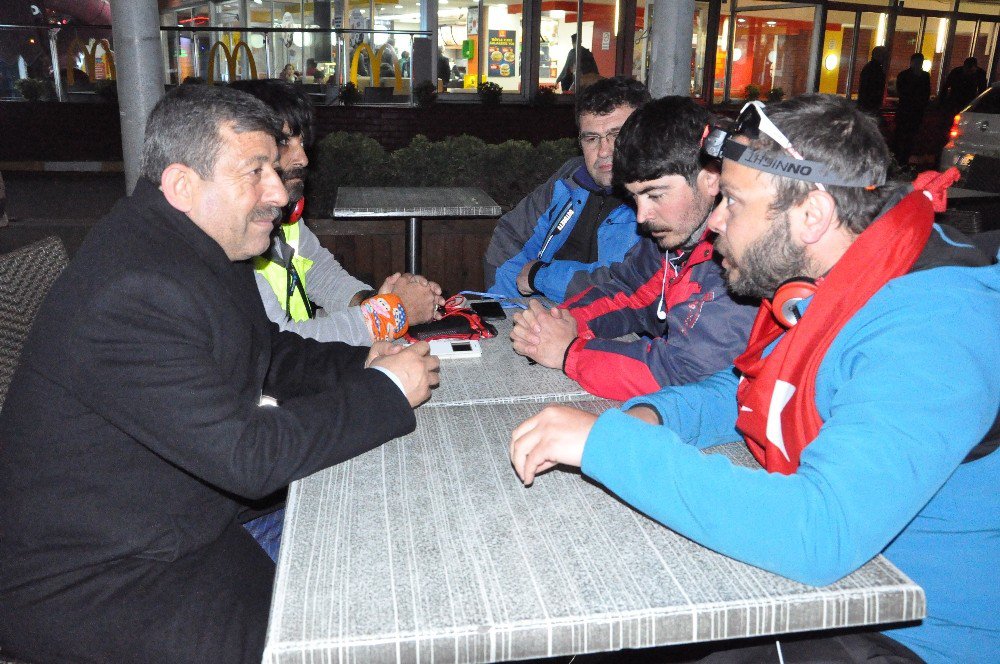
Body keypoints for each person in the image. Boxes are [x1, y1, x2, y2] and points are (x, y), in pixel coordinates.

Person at [509, 94, 999, 663]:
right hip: (819, 605)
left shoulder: (931, 330)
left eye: (734, 202)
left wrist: (607, 445)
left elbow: (820, 530)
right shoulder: (829, 284)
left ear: (811, 214)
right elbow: (753, 391)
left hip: (908, 637)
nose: (714, 220)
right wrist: (658, 415)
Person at [0, 84, 440, 664]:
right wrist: (383, 391)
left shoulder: (197, 245)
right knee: (351, 632)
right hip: (97, 584)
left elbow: (270, 355)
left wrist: (362, 360)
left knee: (387, 558)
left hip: (176, 531)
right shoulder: (135, 289)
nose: (279, 192)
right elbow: (247, 458)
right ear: (183, 185)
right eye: (256, 172)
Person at [509, 96, 757, 400]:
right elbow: (629, 292)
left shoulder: (740, 259)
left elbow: (684, 372)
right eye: (635, 197)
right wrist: (567, 321)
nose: (642, 216)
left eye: (655, 195)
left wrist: (569, 352)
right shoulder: (675, 238)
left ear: (711, 179)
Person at [230, 79, 444, 346]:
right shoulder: (230, 236)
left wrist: (378, 301)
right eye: (284, 141)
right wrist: (391, 313)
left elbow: (324, 278)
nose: (303, 159)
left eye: (303, 141)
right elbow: (279, 345)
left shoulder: (285, 221)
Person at [484, 76, 651, 303]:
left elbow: (625, 285)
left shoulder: (659, 198)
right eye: (591, 138)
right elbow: (508, 241)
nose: (603, 150)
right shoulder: (569, 179)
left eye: (616, 135)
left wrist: (538, 276)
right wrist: (512, 312)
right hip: (540, 322)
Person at [893, 53, 930, 170]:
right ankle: (899, 159)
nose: (919, 65)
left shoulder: (920, 76)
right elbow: (902, 92)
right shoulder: (909, 76)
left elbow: (925, 93)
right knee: (901, 136)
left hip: (912, 111)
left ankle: (902, 160)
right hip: (908, 111)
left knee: (909, 137)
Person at [856, 46, 886, 115]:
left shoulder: (870, 67)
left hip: (867, 103)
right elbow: (872, 88)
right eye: (883, 55)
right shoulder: (875, 69)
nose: (885, 58)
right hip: (870, 104)